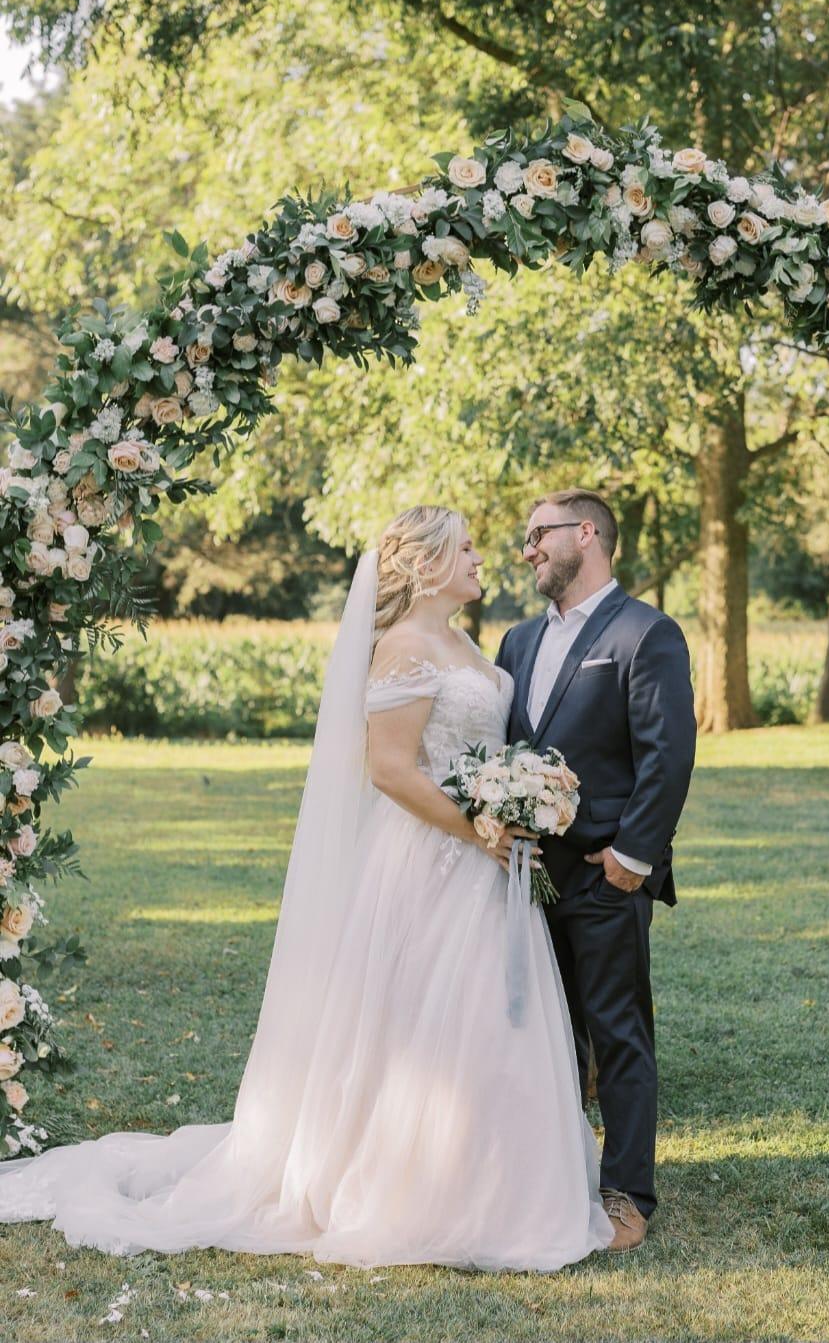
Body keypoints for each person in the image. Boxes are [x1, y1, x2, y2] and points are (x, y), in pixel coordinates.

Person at [0, 506, 611, 1272]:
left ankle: (503, 1182)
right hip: (431, 857)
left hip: (486, 866)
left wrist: (513, 799)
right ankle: (413, 1186)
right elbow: (390, 769)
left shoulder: (465, 642)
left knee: (488, 1018)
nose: (481, 559)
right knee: (422, 1021)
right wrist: (477, 828)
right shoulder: (404, 645)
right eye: (466, 548)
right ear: (426, 564)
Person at [496, 488, 696, 1251]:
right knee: (542, 1035)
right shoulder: (517, 641)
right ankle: (551, 1176)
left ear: (586, 533)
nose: (527, 550)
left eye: (537, 534)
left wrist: (630, 858)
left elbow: (667, 755)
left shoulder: (647, 633)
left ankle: (626, 1193)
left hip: (604, 875)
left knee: (617, 1035)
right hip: (524, 878)